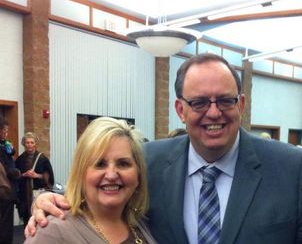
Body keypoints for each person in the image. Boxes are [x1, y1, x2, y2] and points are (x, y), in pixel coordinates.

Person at [27, 53, 302, 244]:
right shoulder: (147, 163)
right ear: (180, 109)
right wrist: (44, 202)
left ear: (241, 104)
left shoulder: (291, 168)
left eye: (225, 101)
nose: (214, 112)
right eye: (200, 103)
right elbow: (98, 200)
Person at [24, 117, 156, 244]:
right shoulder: (51, 233)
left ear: (138, 176)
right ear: (80, 173)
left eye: (123, 164)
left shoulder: (142, 222)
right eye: (100, 164)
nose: (111, 175)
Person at [0, 116, 21, 244]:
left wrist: (10, 149)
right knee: (5, 223)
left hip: (1, 189)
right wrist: (16, 173)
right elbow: (1, 167)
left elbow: (8, 155)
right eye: (5, 131)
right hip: (4, 188)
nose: (6, 134)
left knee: (3, 222)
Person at [15, 132, 54, 227]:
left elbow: (50, 177)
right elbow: (16, 176)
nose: (29, 145)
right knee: (26, 221)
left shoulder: (42, 159)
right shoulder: (19, 159)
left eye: (32, 142)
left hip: (38, 194)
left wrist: (37, 175)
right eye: (27, 142)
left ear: (35, 144)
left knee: (40, 219)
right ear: (24, 144)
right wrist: (23, 174)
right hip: (24, 196)